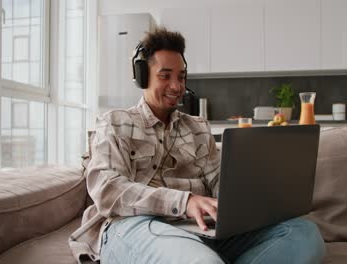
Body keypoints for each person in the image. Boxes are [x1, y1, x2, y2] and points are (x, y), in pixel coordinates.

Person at [69, 27, 326, 264]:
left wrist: (253, 195)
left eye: (181, 77)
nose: (177, 86)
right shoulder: (115, 123)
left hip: (201, 229)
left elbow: (218, 183)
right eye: (165, 76)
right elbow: (108, 191)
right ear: (143, 77)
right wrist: (185, 201)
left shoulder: (198, 127)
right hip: (136, 225)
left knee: (303, 235)